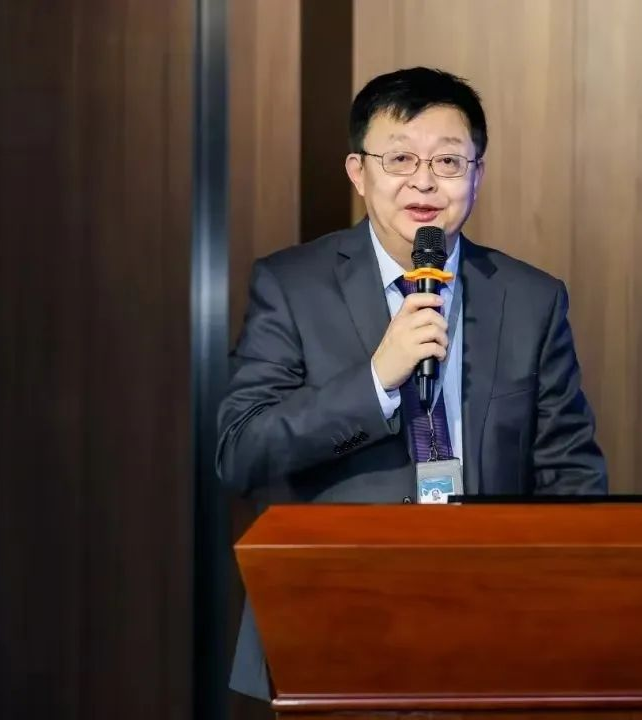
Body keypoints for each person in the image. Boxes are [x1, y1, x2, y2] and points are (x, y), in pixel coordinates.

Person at [216, 66, 607, 701]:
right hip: (333, 619)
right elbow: (242, 451)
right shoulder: (291, 286)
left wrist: (560, 613)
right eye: (399, 159)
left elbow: (572, 475)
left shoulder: (531, 299)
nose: (424, 182)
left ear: (477, 174)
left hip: (496, 627)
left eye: (448, 161)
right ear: (357, 172)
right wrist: (377, 378)